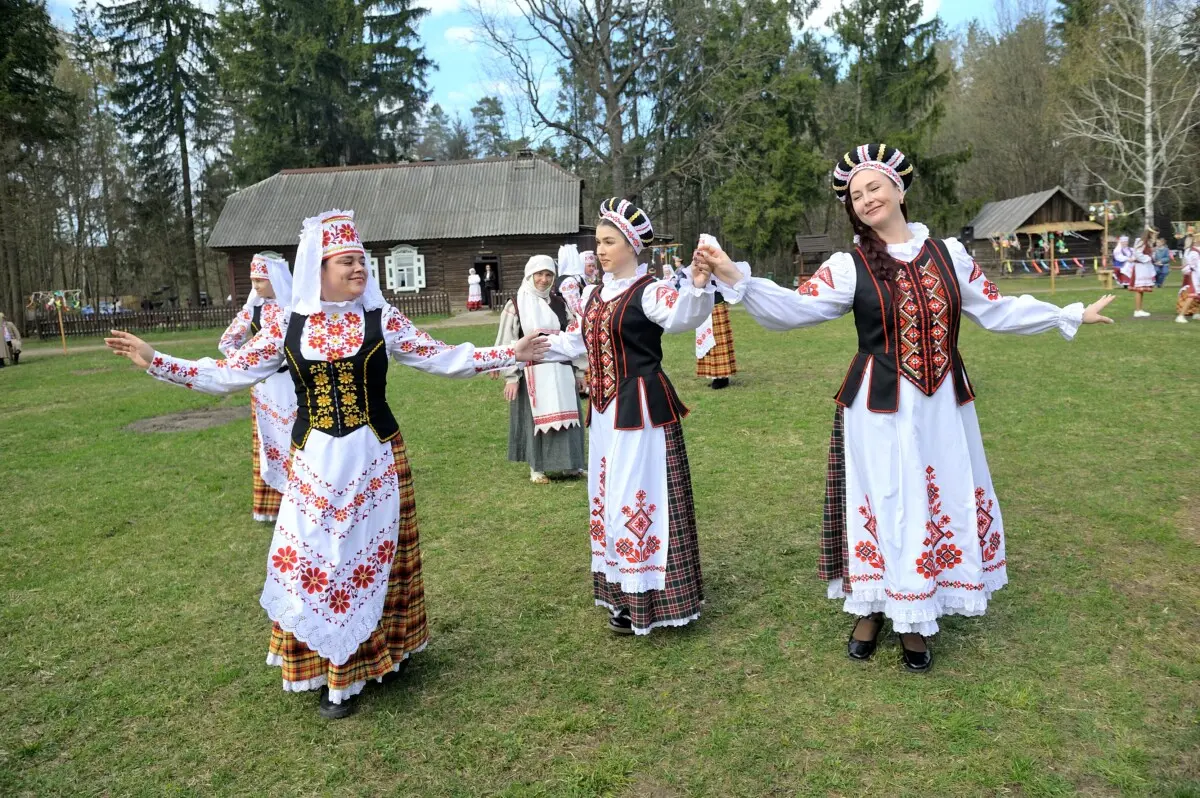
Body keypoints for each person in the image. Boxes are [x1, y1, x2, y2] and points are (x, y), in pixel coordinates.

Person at [105, 209, 550, 718]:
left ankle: (378, 655)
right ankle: (329, 668)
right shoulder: (286, 326)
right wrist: (157, 360)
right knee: (317, 562)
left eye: (362, 261)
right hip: (314, 464)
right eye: (347, 261)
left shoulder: (382, 319)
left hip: (375, 456)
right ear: (318, 268)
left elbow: (441, 355)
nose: (359, 269)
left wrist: (508, 352)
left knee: (371, 559)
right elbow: (228, 373)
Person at [694, 143, 1115, 672]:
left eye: (873, 187)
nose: (866, 199)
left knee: (936, 495)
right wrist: (737, 277)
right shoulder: (848, 267)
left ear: (898, 190)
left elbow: (997, 307)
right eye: (855, 195)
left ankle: (916, 618)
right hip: (880, 404)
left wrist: (1066, 313)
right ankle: (871, 607)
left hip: (942, 404)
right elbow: (796, 308)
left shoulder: (949, 255)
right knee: (886, 497)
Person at [543, 198, 715, 636]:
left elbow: (682, 317)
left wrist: (696, 285)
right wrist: (532, 348)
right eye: (598, 241)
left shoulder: (650, 290)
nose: (600, 250)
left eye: (609, 241)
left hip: (639, 409)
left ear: (632, 245)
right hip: (603, 412)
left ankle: (652, 596)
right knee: (609, 497)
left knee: (640, 496)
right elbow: (579, 344)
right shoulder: (594, 294)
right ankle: (622, 589)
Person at [216, 252, 296, 522]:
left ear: (274, 279)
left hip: (295, 385)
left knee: (296, 440)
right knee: (270, 442)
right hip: (266, 388)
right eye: (252, 281)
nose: (256, 286)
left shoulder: (295, 307)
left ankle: (299, 501)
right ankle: (273, 507)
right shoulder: (253, 309)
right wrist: (246, 365)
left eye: (259, 280)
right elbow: (227, 342)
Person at [495, 255, 586, 483]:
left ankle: (572, 465)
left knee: (569, 417)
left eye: (548, 275)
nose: (544, 280)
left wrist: (580, 370)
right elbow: (507, 341)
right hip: (532, 371)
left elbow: (574, 337)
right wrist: (511, 377)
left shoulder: (560, 303)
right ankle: (538, 468)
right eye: (539, 274)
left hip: (562, 369)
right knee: (535, 420)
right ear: (530, 275)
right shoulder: (516, 304)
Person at [693, 237, 738, 390]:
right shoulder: (699, 266)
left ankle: (722, 376)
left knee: (718, 342)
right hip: (704, 307)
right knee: (706, 341)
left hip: (717, 306)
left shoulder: (720, 267)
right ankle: (712, 373)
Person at [1124, 231, 1156, 317]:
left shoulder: (1148, 242)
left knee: (1141, 290)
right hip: (1140, 267)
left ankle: (1139, 309)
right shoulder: (1142, 242)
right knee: (1138, 289)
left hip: (1144, 267)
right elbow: (1137, 253)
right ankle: (1137, 310)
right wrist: (1147, 258)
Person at [1178, 235, 1200, 323]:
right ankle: (1181, 316)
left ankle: (1197, 313)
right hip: (1195, 276)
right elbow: (1193, 266)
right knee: (1192, 295)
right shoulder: (1194, 252)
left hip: (1197, 275)